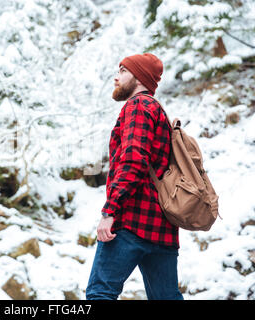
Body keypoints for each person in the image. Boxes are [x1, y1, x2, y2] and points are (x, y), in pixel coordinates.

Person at [85, 53, 184, 300]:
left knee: (100, 294)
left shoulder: (138, 106)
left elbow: (134, 161)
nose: (116, 77)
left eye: (123, 71)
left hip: (131, 222)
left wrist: (109, 212)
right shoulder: (158, 111)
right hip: (163, 228)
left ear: (139, 78)